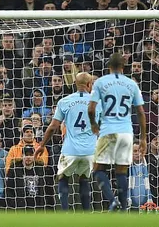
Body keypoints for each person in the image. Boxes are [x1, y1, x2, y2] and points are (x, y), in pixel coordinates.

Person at [88, 53, 147, 211]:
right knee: (121, 171)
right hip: (126, 133)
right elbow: (141, 112)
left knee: (98, 169)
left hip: (108, 131)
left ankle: (112, 200)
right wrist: (143, 138)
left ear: (108, 67)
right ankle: (122, 212)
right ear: (123, 67)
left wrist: (94, 124)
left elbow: (91, 109)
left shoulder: (100, 82)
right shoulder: (131, 84)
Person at [35, 72, 97, 211]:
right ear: (89, 84)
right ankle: (87, 215)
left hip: (70, 150)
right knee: (84, 179)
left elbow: (53, 127)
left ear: (75, 84)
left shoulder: (64, 101)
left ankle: (64, 214)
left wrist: (41, 145)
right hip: (89, 150)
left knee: (63, 177)